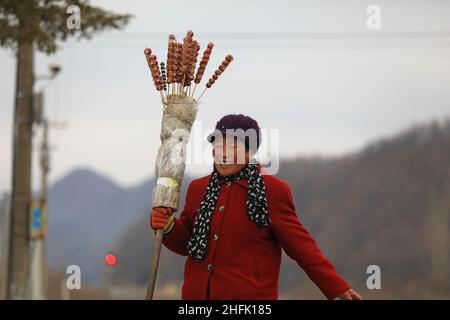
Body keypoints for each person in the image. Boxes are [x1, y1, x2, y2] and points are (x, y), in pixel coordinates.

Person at [151, 114, 361, 300]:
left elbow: (302, 248)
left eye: (233, 147)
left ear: (250, 152)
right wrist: (169, 227)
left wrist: (336, 288)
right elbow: (188, 243)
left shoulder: (273, 191)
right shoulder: (198, 188)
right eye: (218, 145)